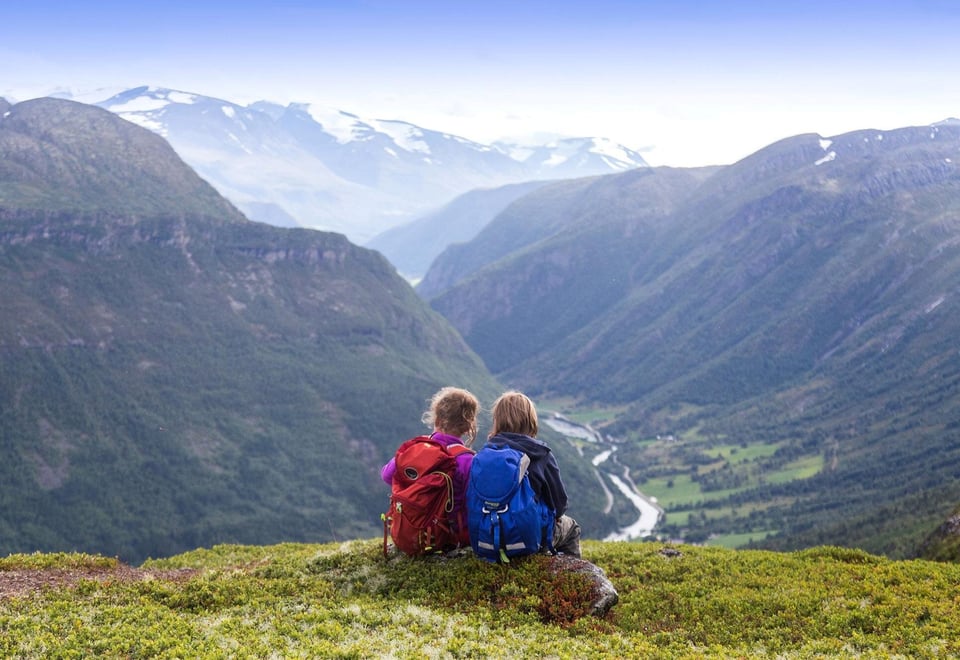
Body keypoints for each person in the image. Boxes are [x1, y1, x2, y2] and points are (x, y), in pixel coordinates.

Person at [486, 390, 582, 558]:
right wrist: (557, 515)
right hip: (529, 537)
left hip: (488, 535)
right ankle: (569, 573)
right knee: (572, 528)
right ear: (530, 420)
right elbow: (560, 503)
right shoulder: (540, 454)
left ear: (497, 421)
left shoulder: (486, 454)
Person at [381, 386, 479, 547]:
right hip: (453, 537)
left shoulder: (416, 450)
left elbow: (386, 475)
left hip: (412, 531)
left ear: (437, 420)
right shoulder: (468, 460)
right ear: (468, 427)